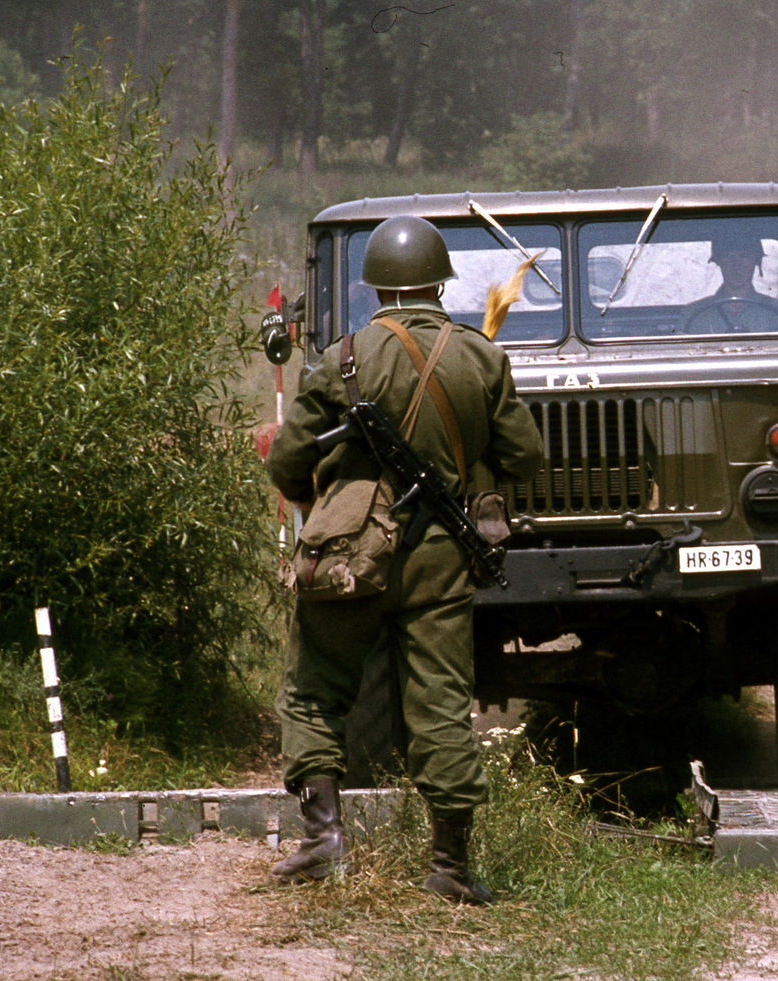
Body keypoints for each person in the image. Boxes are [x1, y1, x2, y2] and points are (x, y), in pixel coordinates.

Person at [266, 214, 543, 903]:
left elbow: (289, 458)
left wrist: (324, 503)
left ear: (377, 288)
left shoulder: (344, 357)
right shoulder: (480, 356)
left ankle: (323, 841)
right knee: (442, 707)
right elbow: (524, 459)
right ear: (440, 282)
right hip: (442, 556)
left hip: (348, 556)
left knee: (314, 690)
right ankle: (449, 867)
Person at [684, 230, 778, 332]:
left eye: (744, 256)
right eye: (728, 256)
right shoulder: (693, 314)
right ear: (718, 261)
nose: (737, 265)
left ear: (756, 260)